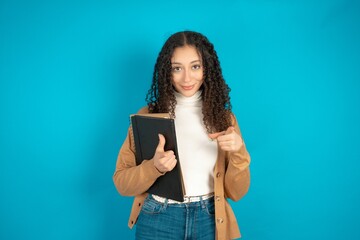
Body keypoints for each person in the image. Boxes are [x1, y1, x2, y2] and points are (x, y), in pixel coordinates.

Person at [113, 31, 251, 240]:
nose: (187, 78)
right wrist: (154, 167)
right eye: (177, 68)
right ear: (166, 72)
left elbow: (237, 192)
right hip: (159, 217)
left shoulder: (224, 120)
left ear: (207, 69)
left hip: (210, 219)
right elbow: (122, 183)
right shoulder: (148, 116)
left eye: (195, 66)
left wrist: (239, 152)